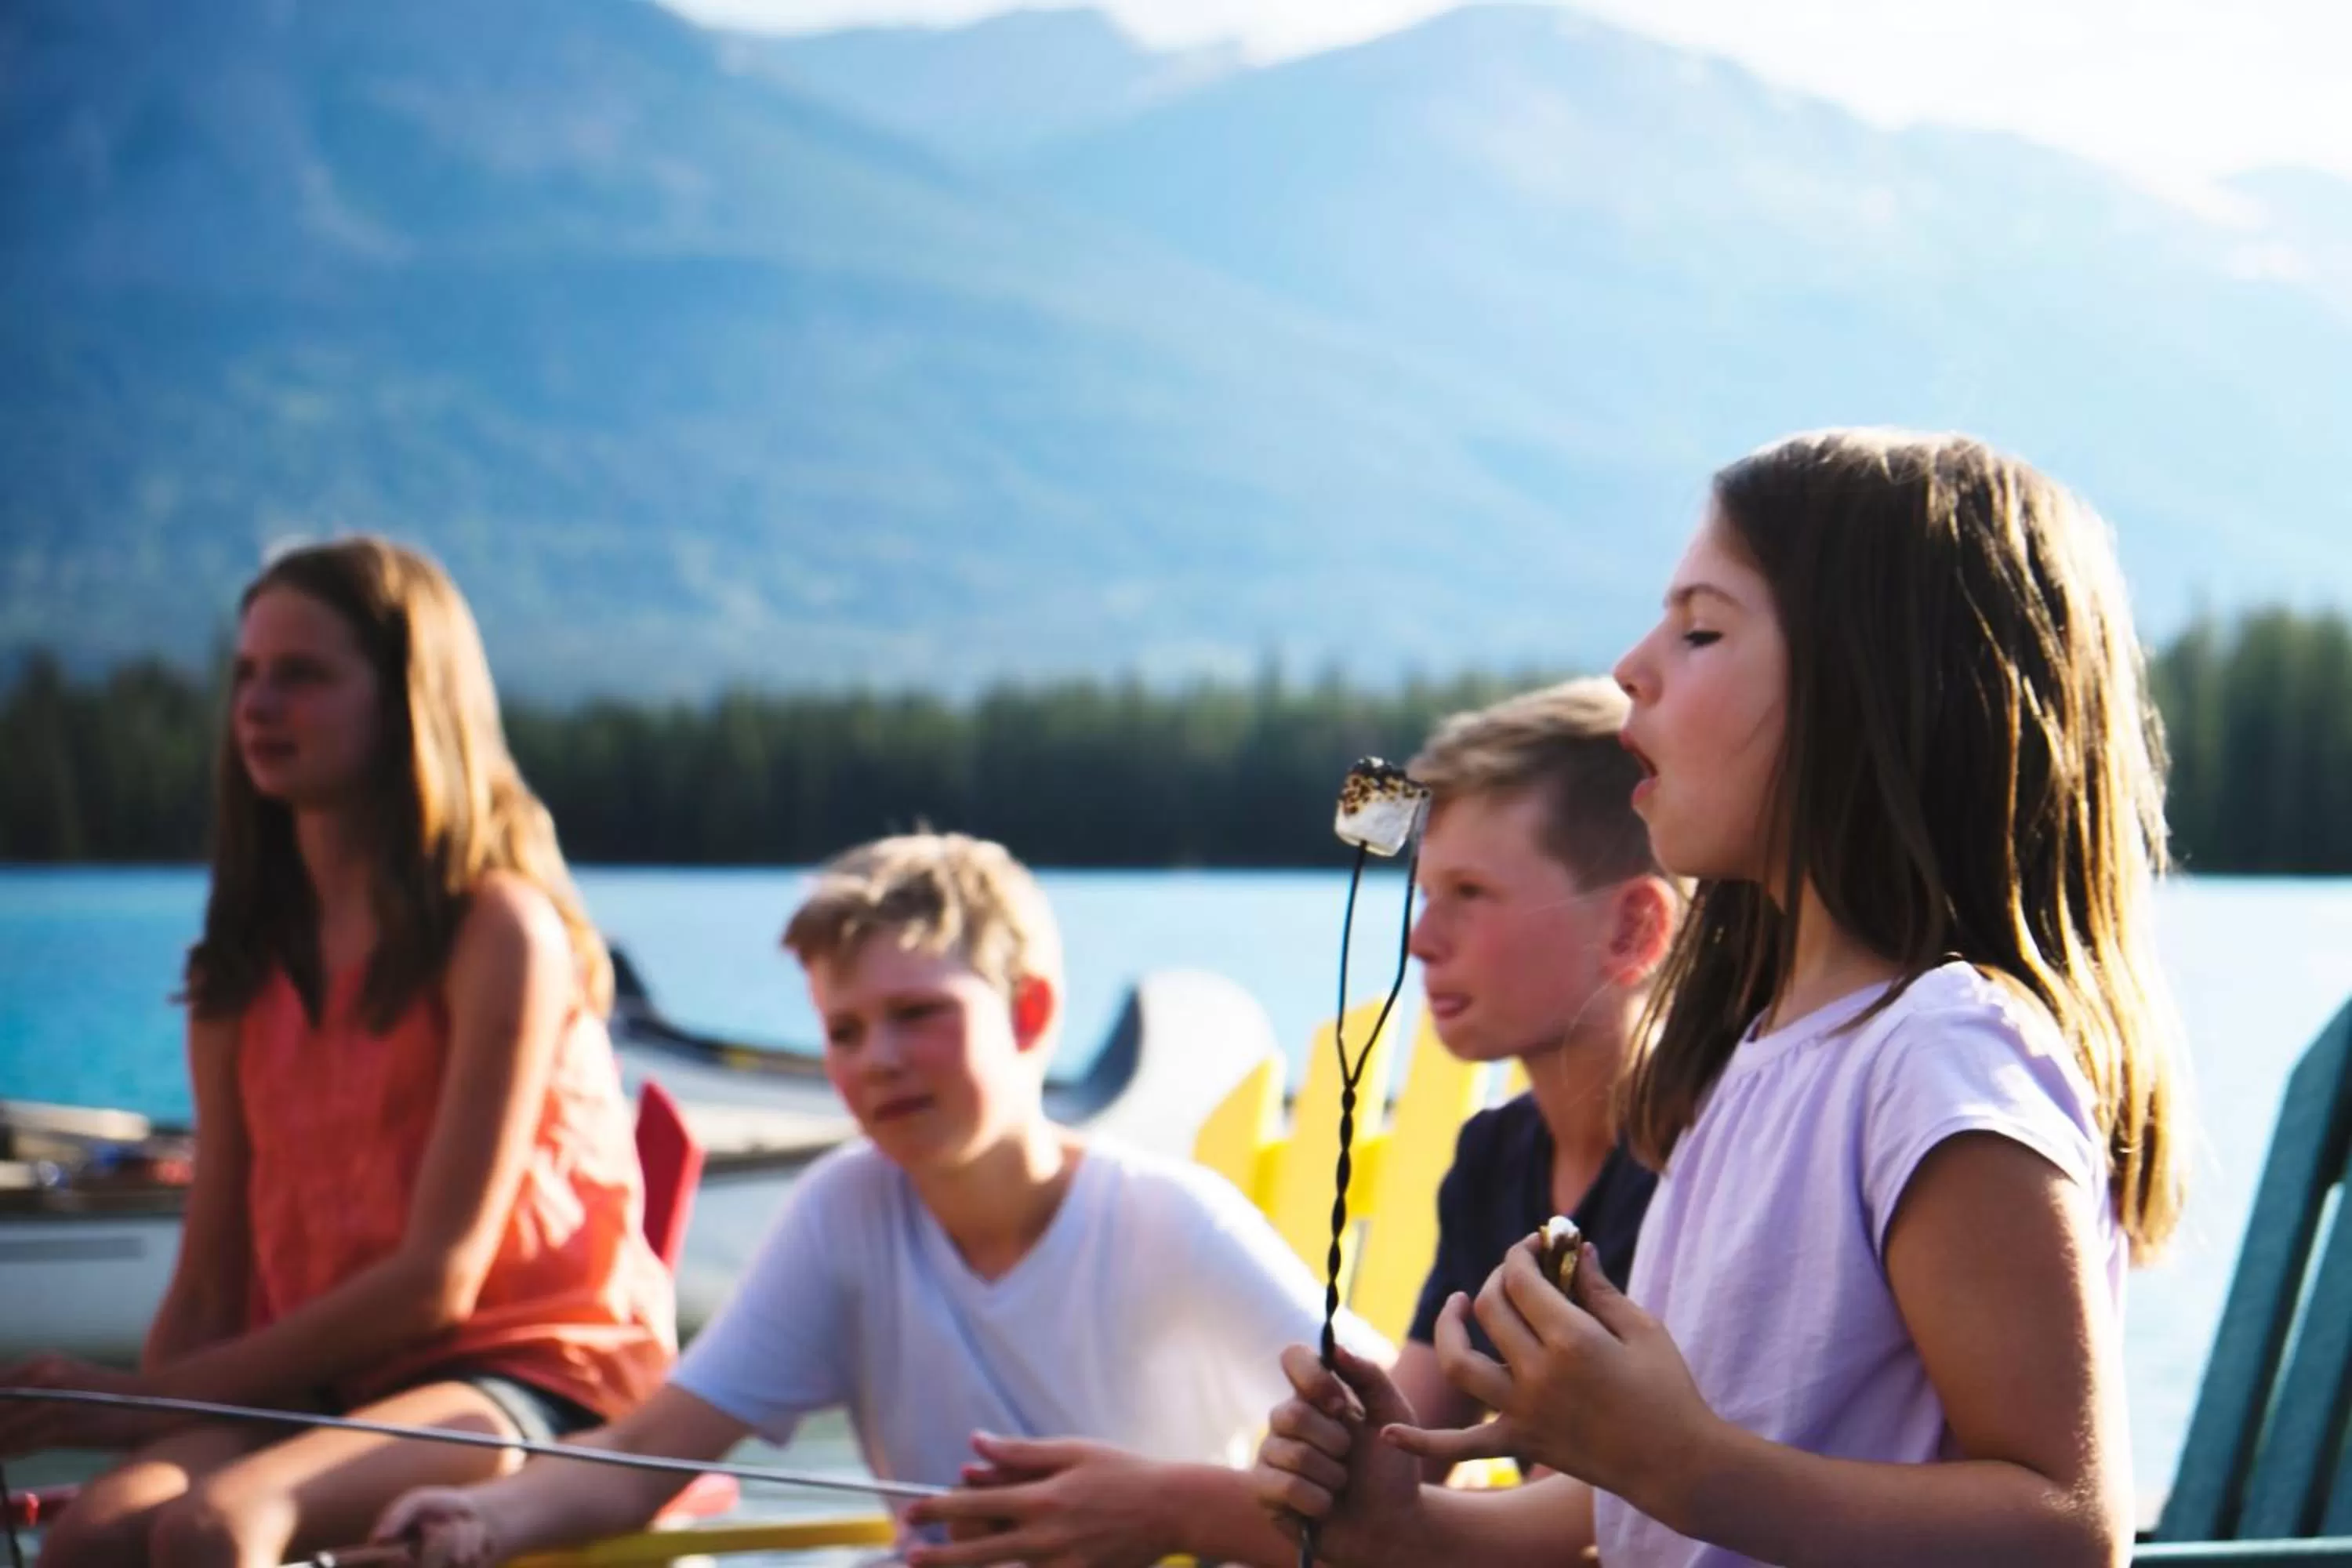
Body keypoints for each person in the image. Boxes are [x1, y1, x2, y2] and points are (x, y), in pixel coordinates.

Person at [1254, 429, 2185, 1566]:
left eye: (1701, 629)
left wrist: (1682, 1461)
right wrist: (1410, 1521)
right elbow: (1658, 1500)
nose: (1631, 668)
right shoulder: (1755, 1060)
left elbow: (2067, 1526)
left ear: (1871, 690)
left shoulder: (1940, 1054)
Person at [378, 831, 1388, 1568]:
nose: (881, 1061)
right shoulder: (846, 1210)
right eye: (846, 1030)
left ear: (1030, 1012)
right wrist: (487, 1519)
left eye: (919, 1014)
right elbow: (648, 1448)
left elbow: (1395, 1435)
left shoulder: (1165, 1218)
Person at [0, 538, 673, 1567]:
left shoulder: (499, 933)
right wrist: (137, 1416)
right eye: (246, 676)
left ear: (408, 700)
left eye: (303, 675)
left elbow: (436, 1285)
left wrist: (149, 1399)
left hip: (531, 1378)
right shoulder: (240, 967)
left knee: (219, 1530)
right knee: (90, 1537)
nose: (259, 707)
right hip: (334, 1381)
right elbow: (212, 1273)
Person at [1389, 677, 1678, 1475]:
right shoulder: (1494, 1156)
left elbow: (1594, 1518)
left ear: (1632, 927)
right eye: (1426, 893)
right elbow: (1402, 1449)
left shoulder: (1696, 1162)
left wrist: (1179, 1505)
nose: (1422, 940)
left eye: (1470, 893)